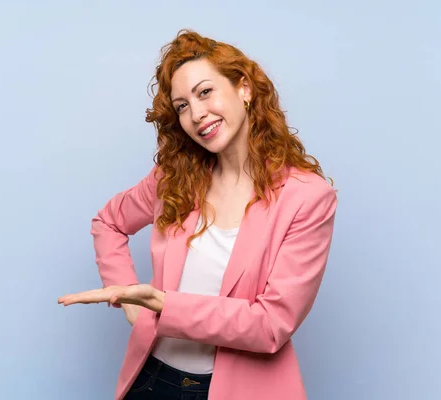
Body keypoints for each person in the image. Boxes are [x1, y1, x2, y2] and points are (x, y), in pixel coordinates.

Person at [58, 29, 338, 400]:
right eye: (182, 106)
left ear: (244, 89)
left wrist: (161, 304)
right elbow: (108, 222)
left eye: (205, 92)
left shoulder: (307, 198)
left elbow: (270, 326)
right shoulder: (174, 179)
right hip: (152, 381)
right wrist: (129, 301)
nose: (196, 114)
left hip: (241, 390)